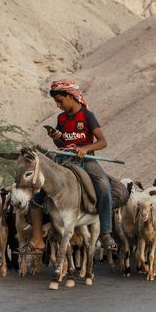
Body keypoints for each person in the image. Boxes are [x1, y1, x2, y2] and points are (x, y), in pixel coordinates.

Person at [26, 79, 118, 255]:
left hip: (86, 160)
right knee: (38, 193)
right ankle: (37, 238)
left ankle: (106, 233)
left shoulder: (87, 115)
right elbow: (62, 143)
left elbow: (102, 142)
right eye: (56, 102)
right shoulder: (61, 118)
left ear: (70, 96)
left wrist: (85, 148)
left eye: (60, 101)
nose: (59, 106)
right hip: (64, 159)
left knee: (104, 185)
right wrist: (56, 137)